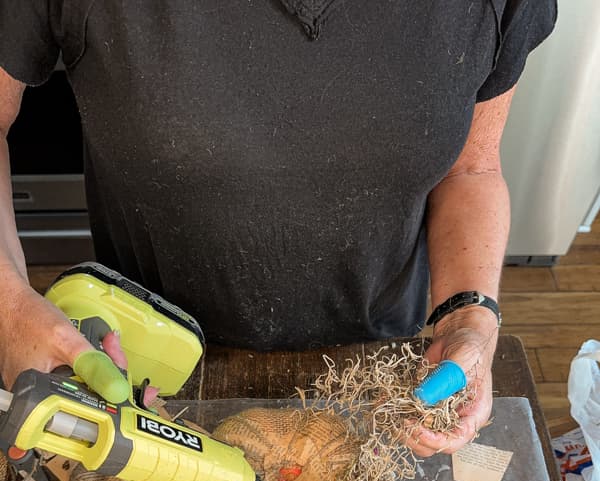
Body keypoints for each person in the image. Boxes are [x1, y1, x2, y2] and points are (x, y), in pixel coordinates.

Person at [0, 1, 556, 456]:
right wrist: (8, 309)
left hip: (381, 369)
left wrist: (467, 316)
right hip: (145, 370)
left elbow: (472, 167)